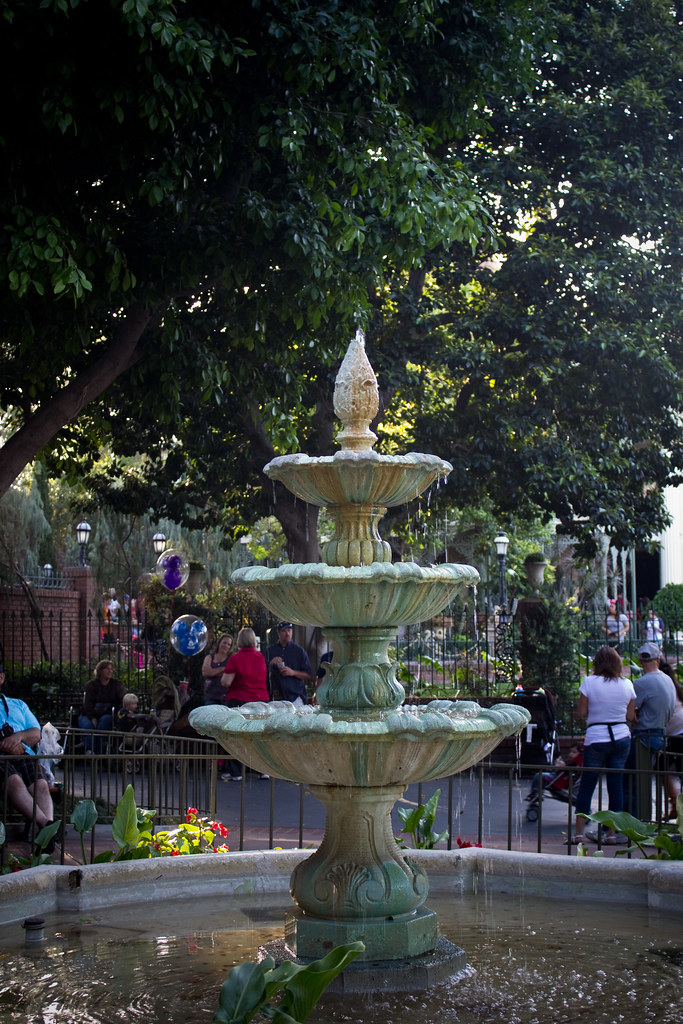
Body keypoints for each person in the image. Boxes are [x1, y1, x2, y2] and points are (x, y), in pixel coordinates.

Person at [568, 645, 636, 845]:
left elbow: (581, 713)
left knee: (587, 786)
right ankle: (611, 834)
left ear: (596, 663)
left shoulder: (589, 682)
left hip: (597, 737)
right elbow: (630, 716)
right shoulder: (627, 684)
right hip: (621, 736)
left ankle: (579, 834)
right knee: (616, 787)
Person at [0, 662, 58, 843]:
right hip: (1, 757)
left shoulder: (18, 705)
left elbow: (35, 733)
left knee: (40, 784)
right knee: (14, 781)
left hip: (23, 752)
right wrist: (5, 745)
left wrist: (18, 737)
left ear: (1, 678)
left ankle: (46, 832)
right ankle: (47, 828)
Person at [624, 642, 676, 818]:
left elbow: (630, 714)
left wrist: (633, 716)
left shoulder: (641, 683)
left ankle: (634, 821)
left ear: (640, 660)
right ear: (658, 659)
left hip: (643, 735)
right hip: (660, 732)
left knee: (631, 782)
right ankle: (643, 820)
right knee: (644, 780)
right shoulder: (668, 679)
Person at [220, 626, 270, 781]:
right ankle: (261, 769)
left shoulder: (235, 659)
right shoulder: (260, 657)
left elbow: (226, 682)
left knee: (236, 735)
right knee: (257, 736)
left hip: (240, 700)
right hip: (260, 700)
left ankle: (236, 772)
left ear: (239, 640)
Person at [78, 659, 125, 752]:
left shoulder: (116, 684)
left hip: (108, 713)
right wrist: (92, 717)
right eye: (107, 669)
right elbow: (87, 704)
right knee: (88, 726)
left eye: (111, 669)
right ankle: (90, 751)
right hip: (89, 714)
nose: (110, 671)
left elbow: (122, 697)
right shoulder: (91, 685)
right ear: (100, 670)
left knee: (104, 723)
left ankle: (98, 752)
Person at [266, 622, 312, 704]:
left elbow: (308, 675)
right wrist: (270, 664)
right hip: (277, 696)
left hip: (296, 696)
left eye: (289, 630)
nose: (287, 634)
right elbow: (262, 671)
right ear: (278, 632)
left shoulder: (299, 651)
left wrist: (293, 672)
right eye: (284, 631)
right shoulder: (270, 651)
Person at [662, 661, 683, 819]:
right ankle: (675, 804)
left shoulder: (665, 688)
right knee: (661, 767)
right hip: (675, 734)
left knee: (662, 768)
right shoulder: (676, 687)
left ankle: (676, 805)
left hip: (677, 734)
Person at [201, 634, 234, 705]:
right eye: (224, 643)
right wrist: (223, 669)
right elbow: (205, 672)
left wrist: (213, 671)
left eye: (229, 644)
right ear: (219, 643)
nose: (226, 646)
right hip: (210, 696)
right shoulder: (209, 657)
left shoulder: (231, 659)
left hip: (226, 697)